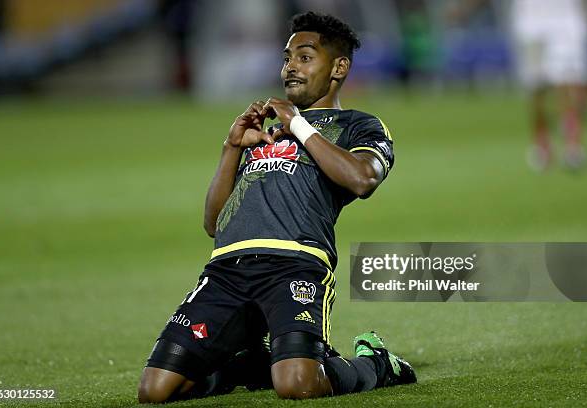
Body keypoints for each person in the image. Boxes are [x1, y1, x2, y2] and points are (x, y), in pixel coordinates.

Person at [137, 11, 416, 403]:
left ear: (339, 68)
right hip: (226, 271)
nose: (290, 68)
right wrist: (232, 147)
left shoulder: (356, 125)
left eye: (304, 57)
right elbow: (215, 222)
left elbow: (362, 178)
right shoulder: (267, 130)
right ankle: (247, 364)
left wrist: (301, 126)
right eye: (286, 58)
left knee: (298, 384)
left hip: (295, 266)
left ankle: (376, 364)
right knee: (155, 391)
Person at [510, 0, 587, 170]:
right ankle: (542, 142)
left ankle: (572, 145)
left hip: (566, 17)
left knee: (570, 79)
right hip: (531, 19)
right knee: (537, 87)